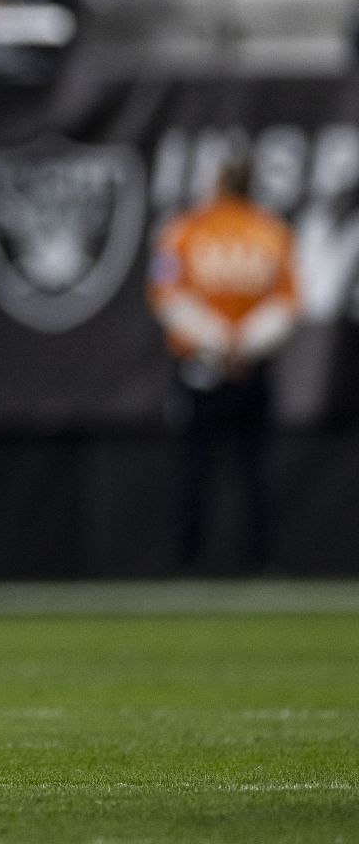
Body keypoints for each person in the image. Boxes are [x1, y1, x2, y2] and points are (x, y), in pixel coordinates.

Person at [147, 159, 300, 572]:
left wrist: (218, 342)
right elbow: (286, 305)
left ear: (216, 183)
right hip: (249, 368)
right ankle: (262, 563)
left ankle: (188, 563)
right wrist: (242, 344)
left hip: (203, 367)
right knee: (254, 470)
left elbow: (168, 298)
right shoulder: (270, 232)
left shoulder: (185, 231)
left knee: (197, 469)